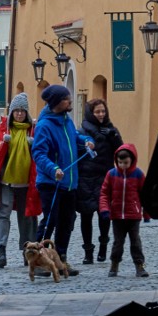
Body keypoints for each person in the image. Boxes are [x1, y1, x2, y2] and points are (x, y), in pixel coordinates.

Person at [31, 84, 95, 277]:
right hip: (51, 183)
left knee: (67, 221)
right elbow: (39, 154)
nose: (70, 101)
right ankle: (39, 261)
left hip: (69, 182)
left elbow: (75, 136)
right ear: (57, 103)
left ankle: (60, 259)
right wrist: (54, 169)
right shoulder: (44, 126)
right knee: (50, 221)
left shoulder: (66, 120)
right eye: (67, 99)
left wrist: (86, 140)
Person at [0, 92, 41, 269]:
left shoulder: (33, 129)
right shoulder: (3, 128)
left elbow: (42, 149)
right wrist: (0, 144)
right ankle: (1, 248)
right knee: (4, 215)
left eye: (22, 111)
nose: (19, 114)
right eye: (16, 111)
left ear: (27, 113)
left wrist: (35, 144)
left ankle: (28, 251)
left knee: (27, 217)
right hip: (6, 181)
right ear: (11, 112)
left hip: (27, 182)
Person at [76, 98, 123, 264]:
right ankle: (88, 251)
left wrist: (114, 137)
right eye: (97, 112)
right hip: (86, 178)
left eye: (103, 111)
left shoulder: (111, 129)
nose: (101, 114)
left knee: (104, 215)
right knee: (86, 216)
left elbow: (121, 152)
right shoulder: (82, 132)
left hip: (106, 177)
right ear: (91, 113)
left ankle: (103, 246)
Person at [98, 144, 150, 278]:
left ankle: (140, 265)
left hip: (133, 215)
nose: (123, 165)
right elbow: (104, 193)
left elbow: (145, 195)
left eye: (125, 162)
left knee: (136, 242)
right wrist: (104, 209)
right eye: (120, 162)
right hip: (117, 216)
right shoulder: (111, 174)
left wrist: (146, 213)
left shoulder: (138, 174)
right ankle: (114, 264)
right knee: (117, 242)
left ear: (132, 160)